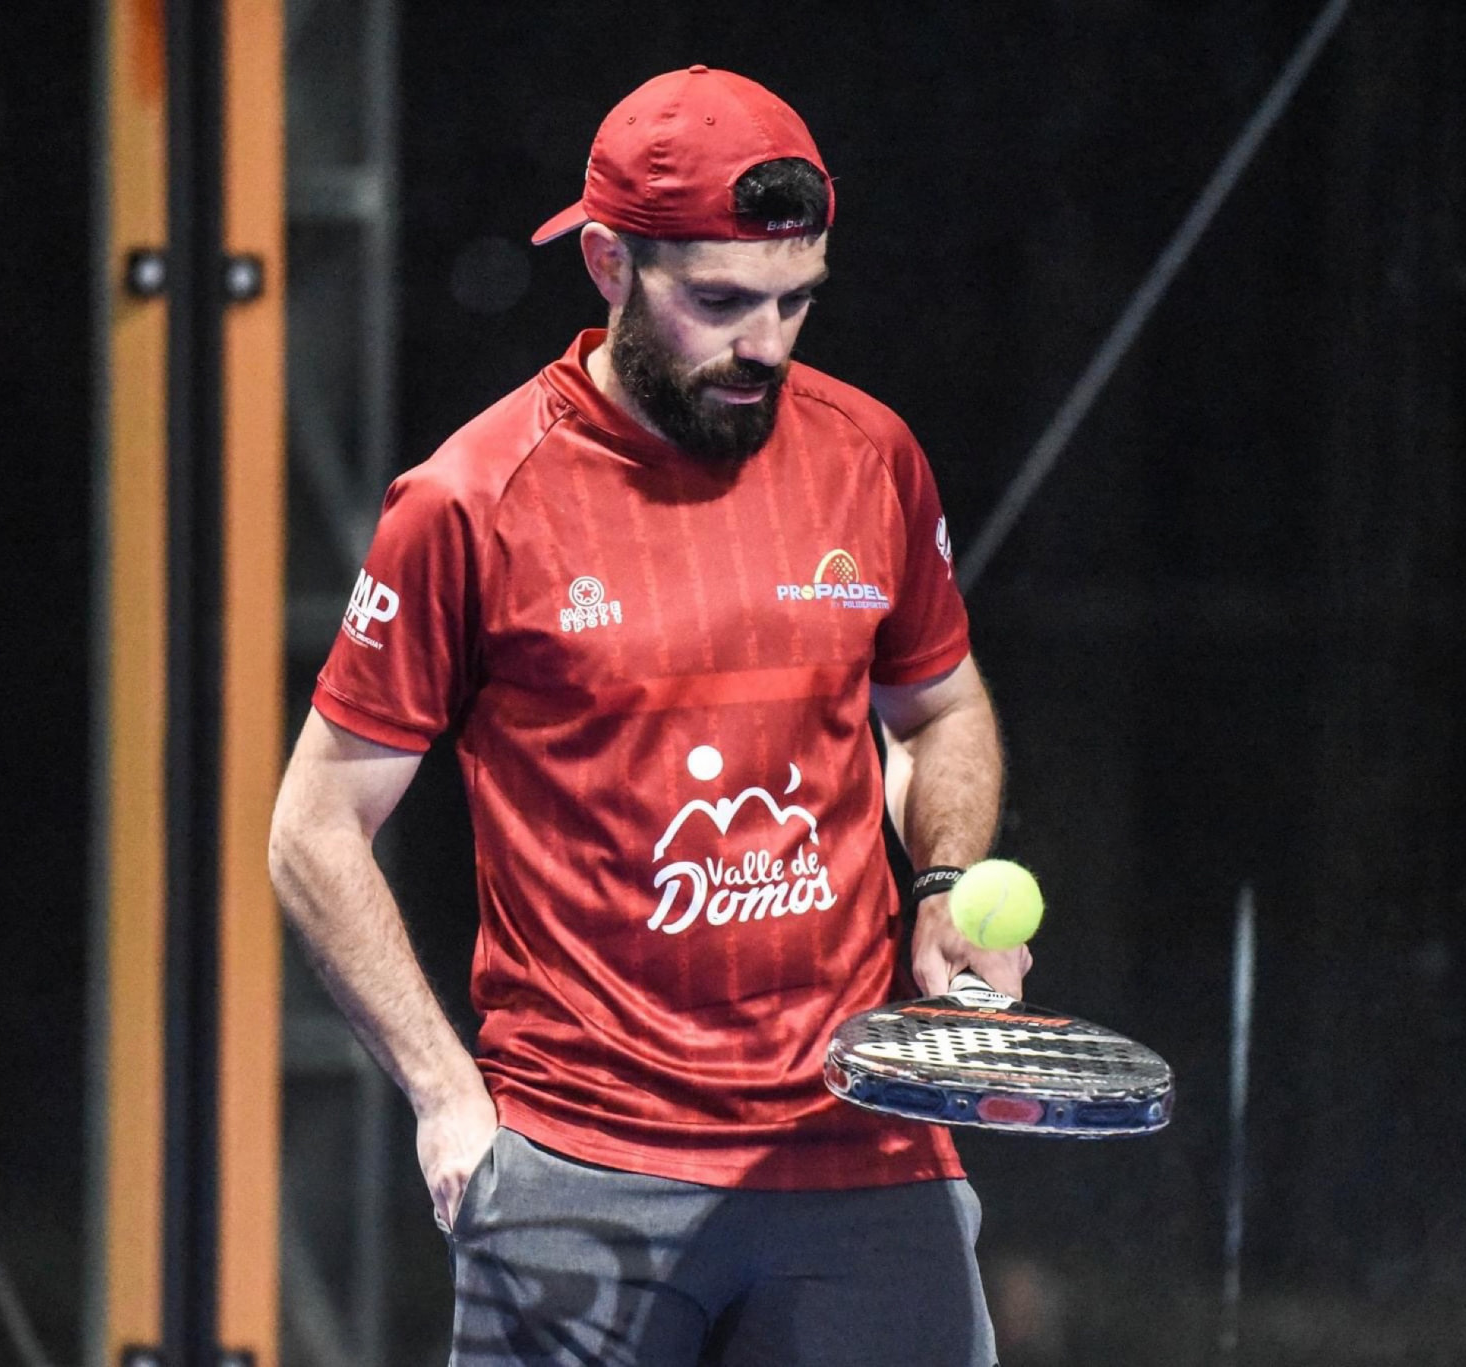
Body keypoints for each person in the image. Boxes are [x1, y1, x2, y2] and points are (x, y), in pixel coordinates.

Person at [268, 64, 1028, 1366]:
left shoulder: (871, 457)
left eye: (797, 299)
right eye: (721, 302)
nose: (767, 344)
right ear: (609, 263)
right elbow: (315, 827)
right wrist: (446, 1098)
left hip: (863, 1154)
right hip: (581, 1169)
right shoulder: (468, 499)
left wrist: (945, 882)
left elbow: (939, 710)